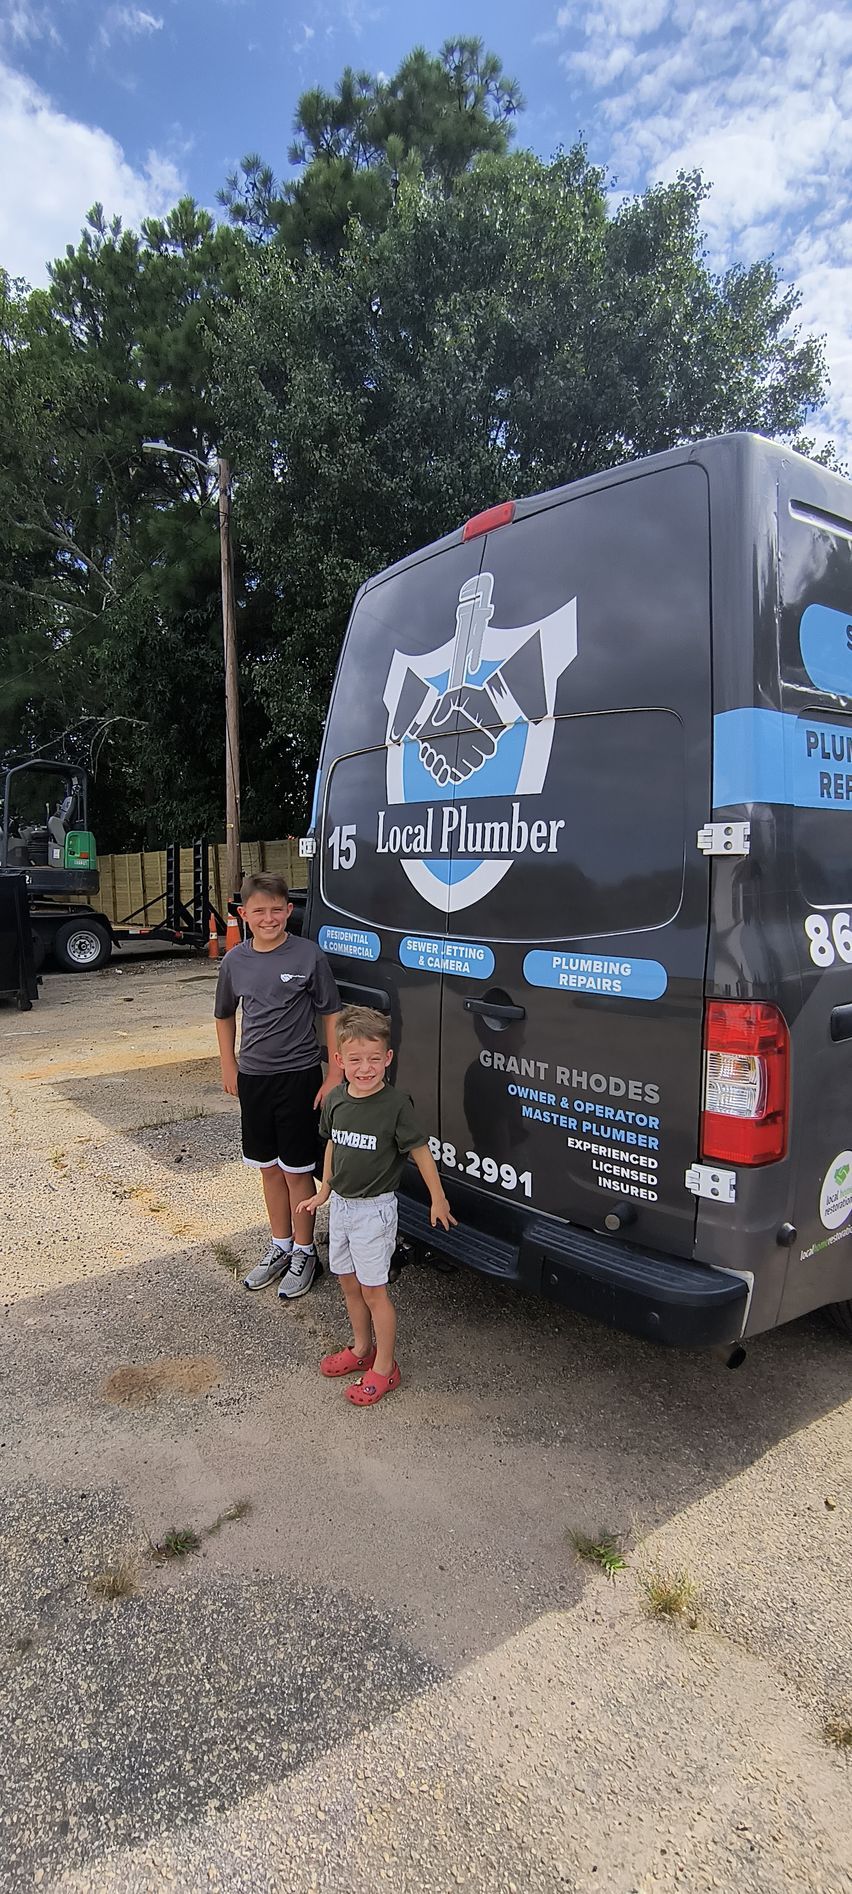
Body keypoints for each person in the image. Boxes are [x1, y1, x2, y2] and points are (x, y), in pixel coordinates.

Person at [304, 1004, 456, 1406]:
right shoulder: (336, 1099)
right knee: (348, 1284)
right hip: (342, 1207)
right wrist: (324, 1191)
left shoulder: (395, 1105)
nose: (365, 1068)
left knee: (374, 1291)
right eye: (355, 1060)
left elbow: (421, 1151)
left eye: (374, 1059)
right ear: (339, 1060)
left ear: (388, 1058)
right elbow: (333, 1143)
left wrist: (437, 1198)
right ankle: (361, 1350)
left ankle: (385, 1368)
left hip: (375, 1211)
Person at [214, 871, 340, 1300]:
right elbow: (224, 1015)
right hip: (254, 1079)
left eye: (276, 910)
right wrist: (229, 1065)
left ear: (289, 911)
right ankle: (280, 1245)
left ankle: (306, 1251)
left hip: (299, 1077)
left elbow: (331, 1015)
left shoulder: (309, 956)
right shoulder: (234, 962)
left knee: (297, 1170)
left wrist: (336, 1073)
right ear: (243, 913)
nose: (268, 918)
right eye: (259, 911)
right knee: (268, 1168)